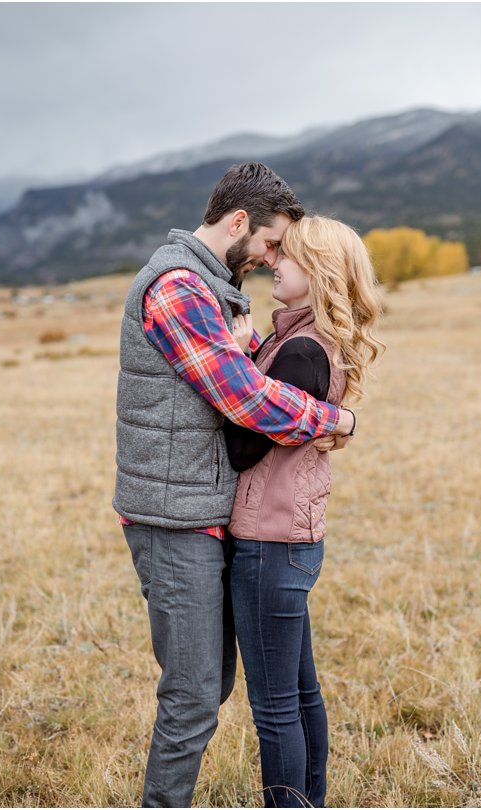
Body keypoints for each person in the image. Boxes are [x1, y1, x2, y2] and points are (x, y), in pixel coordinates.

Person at [114, 163, 358, 807]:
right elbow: (245, 401)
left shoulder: (209, 288)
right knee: (195, 696)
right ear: (239, 222)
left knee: (212, 685)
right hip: (174, 516)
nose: (273, 259)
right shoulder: (177, 287)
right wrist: (338, 420)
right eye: (272, 242)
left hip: (202, 510)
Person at [223, 216, 384, 807]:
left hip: (267, 542)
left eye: (285, 258)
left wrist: (238, 360)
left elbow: (244, 448)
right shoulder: (308, 341)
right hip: (292, 537)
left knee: (274, 709)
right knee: (300, 692)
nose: (273, 264)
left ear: (317, 273)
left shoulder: (298, 352)